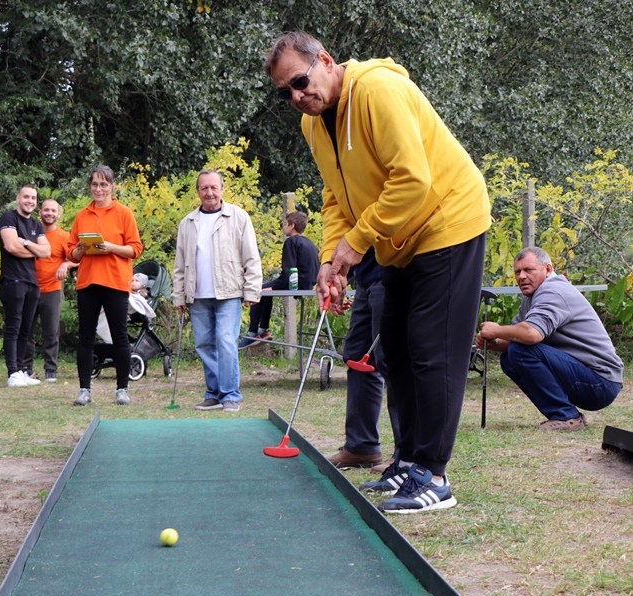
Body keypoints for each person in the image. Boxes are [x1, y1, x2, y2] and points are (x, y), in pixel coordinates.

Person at [265, 32, 491, 513]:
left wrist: (355, 244)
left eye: (301, 82)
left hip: (448, 223)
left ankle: (434, 476)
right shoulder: (314, 125)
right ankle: (408, 462)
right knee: (395, 353)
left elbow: (413, 180)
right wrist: (330, 259)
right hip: (398, 242)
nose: (298, 97)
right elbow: (336, 197)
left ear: (324, 60)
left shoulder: (377, 91)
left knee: (433, 353)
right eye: (286, 92)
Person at [476, 247, 623, 431]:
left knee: (520, 350)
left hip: (600, 382)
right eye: (517, 272)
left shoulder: (553, 291)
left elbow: (531, 335)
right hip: (585, 377)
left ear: (547, 269)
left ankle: (567, 417)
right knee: (510, 358)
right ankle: (564, 414)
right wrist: (494, 343)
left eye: (528, 270)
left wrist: (497, 330)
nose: (521, 276)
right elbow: (516, 338)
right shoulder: (531, 297)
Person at [172, 169, 262, 412]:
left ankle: (231, 394)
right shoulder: (188, 222)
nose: (209, 192)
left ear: (222, 189)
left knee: (226, 342)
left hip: (229, 292)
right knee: (203, 344)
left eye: (213, 187)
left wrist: (252, 290)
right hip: (198, 295)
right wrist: (178, 295)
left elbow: (251, 256)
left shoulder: (238, 217)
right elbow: (180, 263)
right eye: (204, 188)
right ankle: (213, 393)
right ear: (198, 192)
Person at [67, 165, 143, 406]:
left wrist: (111, 247)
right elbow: (72, 254)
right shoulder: (82, 215)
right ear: (90, 186)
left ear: (112, 186)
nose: (98, 189)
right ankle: (84, 390)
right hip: (88, 282)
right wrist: (79, 249)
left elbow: (135, 249)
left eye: (103, 184)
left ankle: (122, 389)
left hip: (115, 281)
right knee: (86, 337)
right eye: (94, 184)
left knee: (119, 336)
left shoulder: (124, 213)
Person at [328, 249, 401, 470]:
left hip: (392, 273)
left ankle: (405, 455)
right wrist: (342, 276)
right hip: (365, 277)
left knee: (391, 360)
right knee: (357, 357)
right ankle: (362, 447)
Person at [239, 211, 319, 348]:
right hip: (308, 284)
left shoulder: (291, 242)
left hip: (295, 284)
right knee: (264, 291)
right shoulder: (310, 244)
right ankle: (264, 330)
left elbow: (288, 271)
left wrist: (275, 288)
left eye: (285, 224)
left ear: (292, 225)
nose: (284, 227)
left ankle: (252, 333)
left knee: (258, 291)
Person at [0, 185, 51, 388]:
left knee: (26, 329)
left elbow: (47, 252)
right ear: (18, 198)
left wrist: (27, 244)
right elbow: (11, 246)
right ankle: (12, 373)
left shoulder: (36, 225)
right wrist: (35, 249)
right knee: (13, 326)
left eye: (33, 198)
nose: (30, 200)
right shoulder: (8, 219)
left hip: (32, 281)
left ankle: (21, 370)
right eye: (26, 197)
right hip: (13, 281)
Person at [22, 198, 73, 383]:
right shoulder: (32, 232)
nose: (49, 213)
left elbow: (78, 258)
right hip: (30, 288)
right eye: (46, 210)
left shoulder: (64, 236)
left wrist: (66, 264)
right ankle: (26, 369)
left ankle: (51, 370)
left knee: (51, 332)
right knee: (27, 330)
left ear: (58, 214)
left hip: (52, 289)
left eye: (53, 210)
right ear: (40, 212)